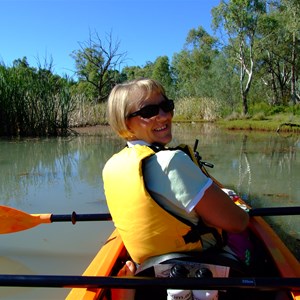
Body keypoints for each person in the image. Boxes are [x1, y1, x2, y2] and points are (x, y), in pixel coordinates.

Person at [103, 78, 250, 299]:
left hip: (148, 271)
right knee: (247, 234)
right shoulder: (172, 162)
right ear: (126, 123)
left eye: (167, 106)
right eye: (149, 111)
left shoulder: (112, 165)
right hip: (202, 262)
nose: (164, 115)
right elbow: (238, 222)